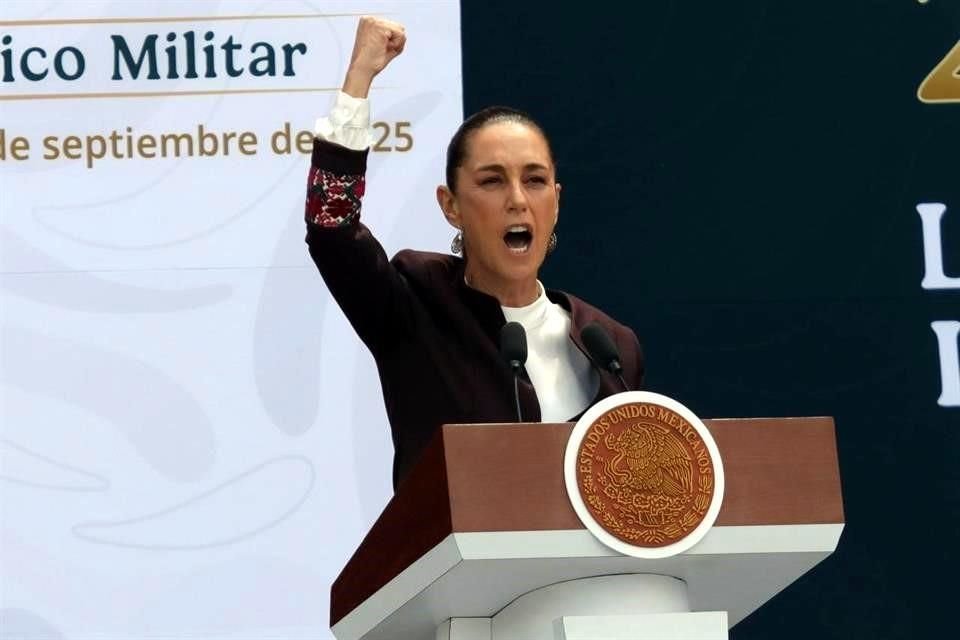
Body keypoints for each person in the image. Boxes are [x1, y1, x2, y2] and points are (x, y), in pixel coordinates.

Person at [305, 17, 644, 488]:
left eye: (534, 180)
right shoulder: (415, 306)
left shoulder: (611, 347)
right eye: (491, 180)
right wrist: (359, 78)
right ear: (452, 207)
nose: (517, 199)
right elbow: (331, 232)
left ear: (557, 201)